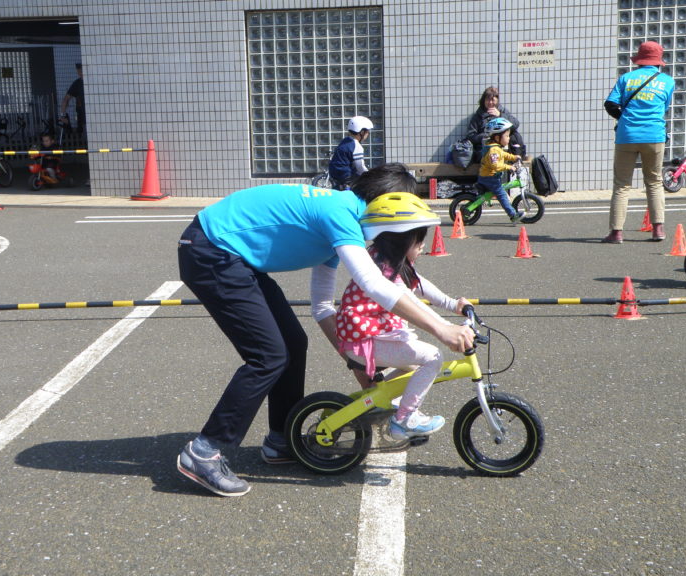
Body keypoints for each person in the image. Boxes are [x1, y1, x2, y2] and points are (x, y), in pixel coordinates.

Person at [176, 163, 474, 497]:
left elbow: (321, 306)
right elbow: (373, 283)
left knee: (292, 343)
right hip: (210, 250)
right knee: (268, 356)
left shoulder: (346, 219)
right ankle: (204, 452)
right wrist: (441, 329)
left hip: (232, 257)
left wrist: (356, 360)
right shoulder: (342, 214)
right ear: (387, 202)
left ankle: (281, 440)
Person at [335, 193, 471, 439]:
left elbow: (421, 285)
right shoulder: (383, 272)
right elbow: (414, 304)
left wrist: (453, 304)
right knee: (431, 357)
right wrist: (446, 327)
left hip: (371, 334)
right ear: (401, 240)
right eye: (418, 242)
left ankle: (389, 403)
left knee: (413, 363)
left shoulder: (387, 259)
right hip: (364, 340)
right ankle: (404, 420)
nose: (422, 247)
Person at [602, 41, 674, 244]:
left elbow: (610, 104)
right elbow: (664, 107)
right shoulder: (667, 81)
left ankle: (616, 233)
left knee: (622, 185)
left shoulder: (626, 78)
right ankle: (658, 229)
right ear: (658, 61)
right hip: (654, 136)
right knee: (654, 182)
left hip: (627, 136)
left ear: (639, 59)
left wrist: (623, 117)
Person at [476, 117, 525, 223]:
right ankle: (513, 215)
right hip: (489, 178)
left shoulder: (496, 148)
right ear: (497, 137)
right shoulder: (493, 150)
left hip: (490, 177)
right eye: (506, 136)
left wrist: (514, 157)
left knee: (500, 192)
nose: (508, 139)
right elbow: (496, 166)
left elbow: (504, 155)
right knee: (502, 194)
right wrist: (509, 167)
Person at [466, 86, 526, 161]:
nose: (490, 102)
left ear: (497, 100)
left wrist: (500, 115)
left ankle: (516, 162)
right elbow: (470, 136)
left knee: (515, 136)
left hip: (505, 148)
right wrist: (486, 135)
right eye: (488, 100)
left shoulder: (502, 111)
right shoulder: (478, 116)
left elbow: (516, 124)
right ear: (483, 101)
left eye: (493, 100)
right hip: (486, 150)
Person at [328, 115, 373, 190]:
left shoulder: (345, 141)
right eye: (367, 132)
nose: (368, 134)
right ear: (361, 132)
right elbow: (360, 167)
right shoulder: (356, 146)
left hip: (336, 177)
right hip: (347, 179)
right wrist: (370, 175)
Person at [60, 62, 85, 135]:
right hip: (82, 115)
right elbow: (66, 99)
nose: (80, 72)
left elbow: (66, 99)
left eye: (81, 70)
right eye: (78, 71)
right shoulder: (77, 84)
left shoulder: (93, 81)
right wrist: (62, 115)